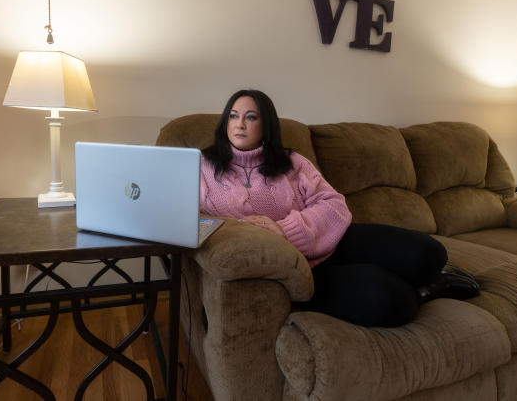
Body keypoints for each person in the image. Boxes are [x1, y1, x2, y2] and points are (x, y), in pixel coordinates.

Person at [200, 89, 479, 327]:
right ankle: (428, 289)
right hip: (301, 271)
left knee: (429, 251)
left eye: (251, 117)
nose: (240, 124)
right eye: (233, 115)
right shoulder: (203, 167)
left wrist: (284, 230)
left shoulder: (292, 162)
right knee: (395, 300)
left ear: (266, 126)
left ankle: (431, 273)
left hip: (334, 240)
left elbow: (334, 204)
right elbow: (196, 219)